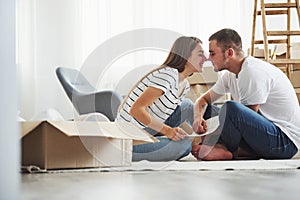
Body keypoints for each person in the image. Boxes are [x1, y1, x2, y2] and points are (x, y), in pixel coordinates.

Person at [192, 28, 300, 161]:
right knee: (208, 110)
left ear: (229, 53)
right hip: (264, 134)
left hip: (284, 142)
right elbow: (203, 100)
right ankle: (227, 149)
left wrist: (213, 135)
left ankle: (226, 150)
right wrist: (198, 118)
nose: (208, 59)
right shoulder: (229, 75)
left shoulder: (252, 71)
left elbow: (246, 118)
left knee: (231, 108)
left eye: (212, 53)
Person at [116, 36, 208, 161]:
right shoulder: (168, 75)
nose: (205, 58)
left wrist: (197, 120)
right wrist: (168, 131)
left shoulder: (184, 84)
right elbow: (136, 110)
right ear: (186, 56)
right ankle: (118, 153)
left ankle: (210, 144)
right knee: (185, 145)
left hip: (147, 130)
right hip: (129, 139)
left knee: (188, 106)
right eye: (200, 54)